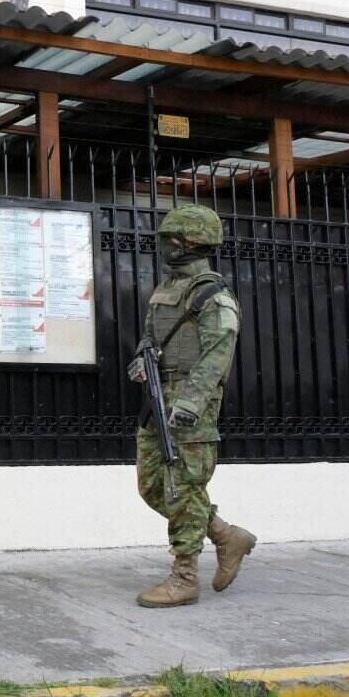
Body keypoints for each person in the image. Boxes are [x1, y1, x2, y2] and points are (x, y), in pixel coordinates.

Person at [127, 205, 256, 608]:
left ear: (192, 243)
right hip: (157, 400)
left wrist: (191, 403)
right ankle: (224, 534)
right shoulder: (167, 289)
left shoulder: (215, 297)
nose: (167, 246)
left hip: (189, 407)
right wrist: (141, 358)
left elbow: (218, 357)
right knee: (152, 487)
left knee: (182, 486)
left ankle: (184, 577)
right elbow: (151, 338)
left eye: (173, 239)